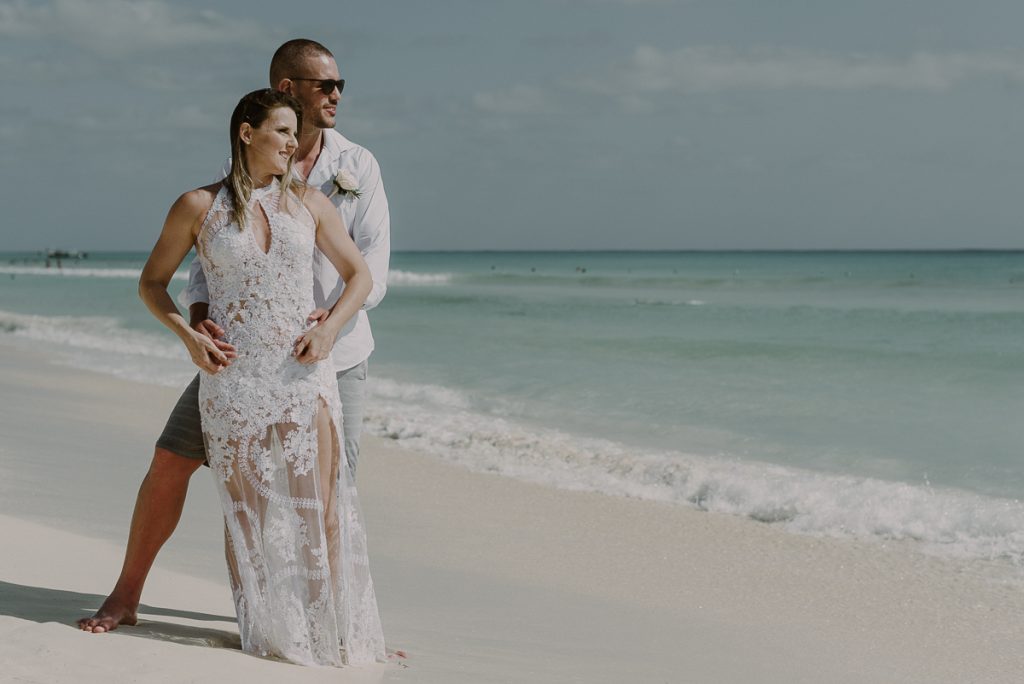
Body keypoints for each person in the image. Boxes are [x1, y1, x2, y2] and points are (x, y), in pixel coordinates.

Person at [77, 39, 390, 635]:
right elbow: (196, 268)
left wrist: (331, 327)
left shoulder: (354, 170)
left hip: (329, 358)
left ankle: (336, 625)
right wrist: (194, 323)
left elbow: (370, 264)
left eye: (338, 86)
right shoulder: (214, 192)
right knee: (179, 466)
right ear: (284, 92)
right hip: (232, 365)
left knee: (329, 495)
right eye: (325, 86)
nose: (337, 96)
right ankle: (129, 595)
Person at [137, 88, 385, 665]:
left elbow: (360, 276)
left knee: (321, 506)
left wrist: (329, 330)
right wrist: (189, 334)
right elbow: (153, 283)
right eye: (282, 132)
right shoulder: (198, 206)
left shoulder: (312, 204)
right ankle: (273, 635)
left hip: (304, 375)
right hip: (234, 381)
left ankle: (331, 634)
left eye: (295, 134)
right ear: (247, 134)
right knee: (248, 513)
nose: (294, 144)